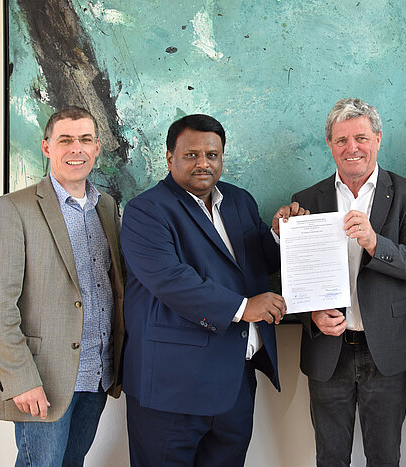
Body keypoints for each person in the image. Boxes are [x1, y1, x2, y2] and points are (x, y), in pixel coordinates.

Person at [120, 114, 297, 466]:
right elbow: (172, 280)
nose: (203, 163)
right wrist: (244, 307)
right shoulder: (145, 211)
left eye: (212, 155)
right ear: (170, 158)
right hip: (172, 390)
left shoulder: (239, 201)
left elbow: (257, 261)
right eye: (191, 155)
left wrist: (279, 235)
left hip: (233, 383)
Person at [274, 98, 406, 466]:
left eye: (360, 137)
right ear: (329, 144)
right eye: (341, 140)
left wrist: (376, 243)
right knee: (330, 457)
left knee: (384, 456)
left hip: (386, 350)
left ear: (378, 139)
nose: (352, 148)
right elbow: (294, 279)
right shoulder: (306, 200)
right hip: (329, 350)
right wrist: (311, 313)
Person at [0, 106, 125, 466]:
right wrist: (20, 379)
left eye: (85, 140)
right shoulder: (13, 208)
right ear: (47, 147)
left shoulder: (106, 207)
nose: (76, 148)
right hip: (42, 380)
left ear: (96, 149)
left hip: (97, 373)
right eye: (66, 140)